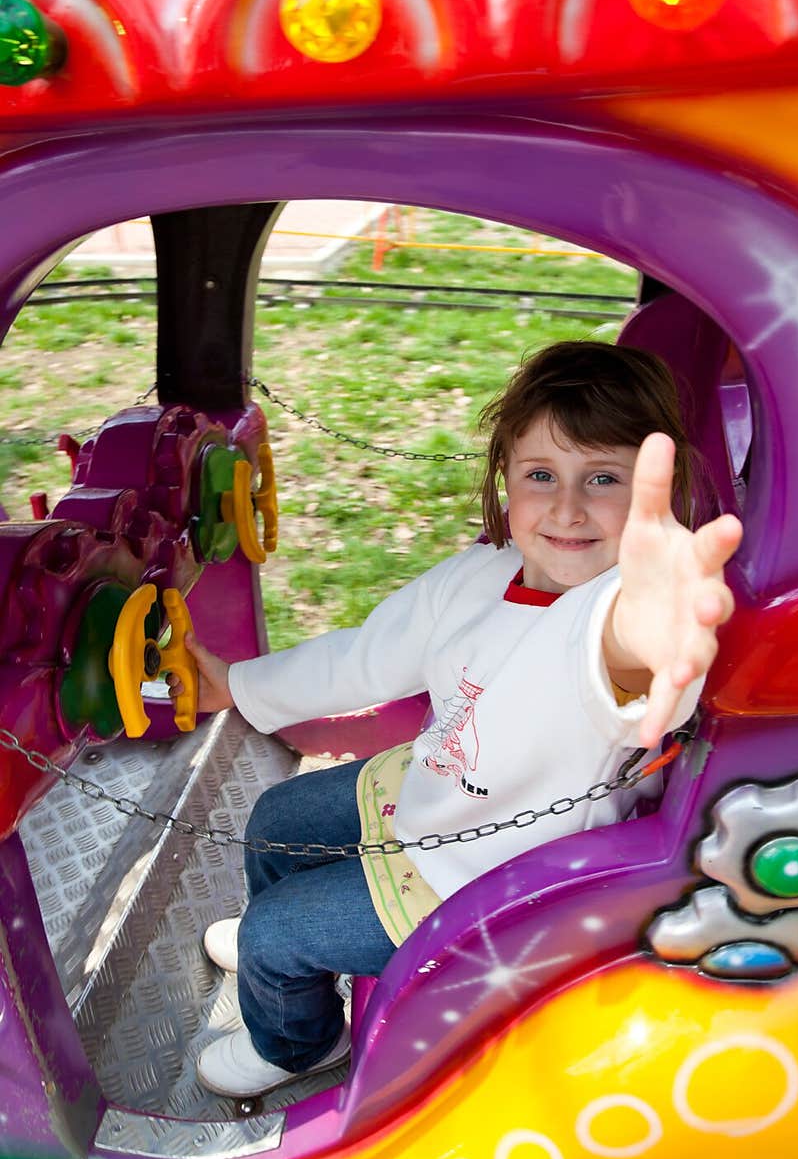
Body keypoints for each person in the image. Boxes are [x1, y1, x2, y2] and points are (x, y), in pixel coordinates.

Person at [173, 340, 743, 1098]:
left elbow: (623, 660)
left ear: (650, 498)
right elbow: (366, 658)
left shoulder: (607, 616)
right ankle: (283, 970)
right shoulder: (480, 576)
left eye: (603, 479)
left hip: (492, 873)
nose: (568, 509)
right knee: (278, 817)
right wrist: (238, 687)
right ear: (505, 476)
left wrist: (650, 630)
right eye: (543, 475)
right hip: (434, 789)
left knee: (280, 930)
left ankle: (296, 1041)